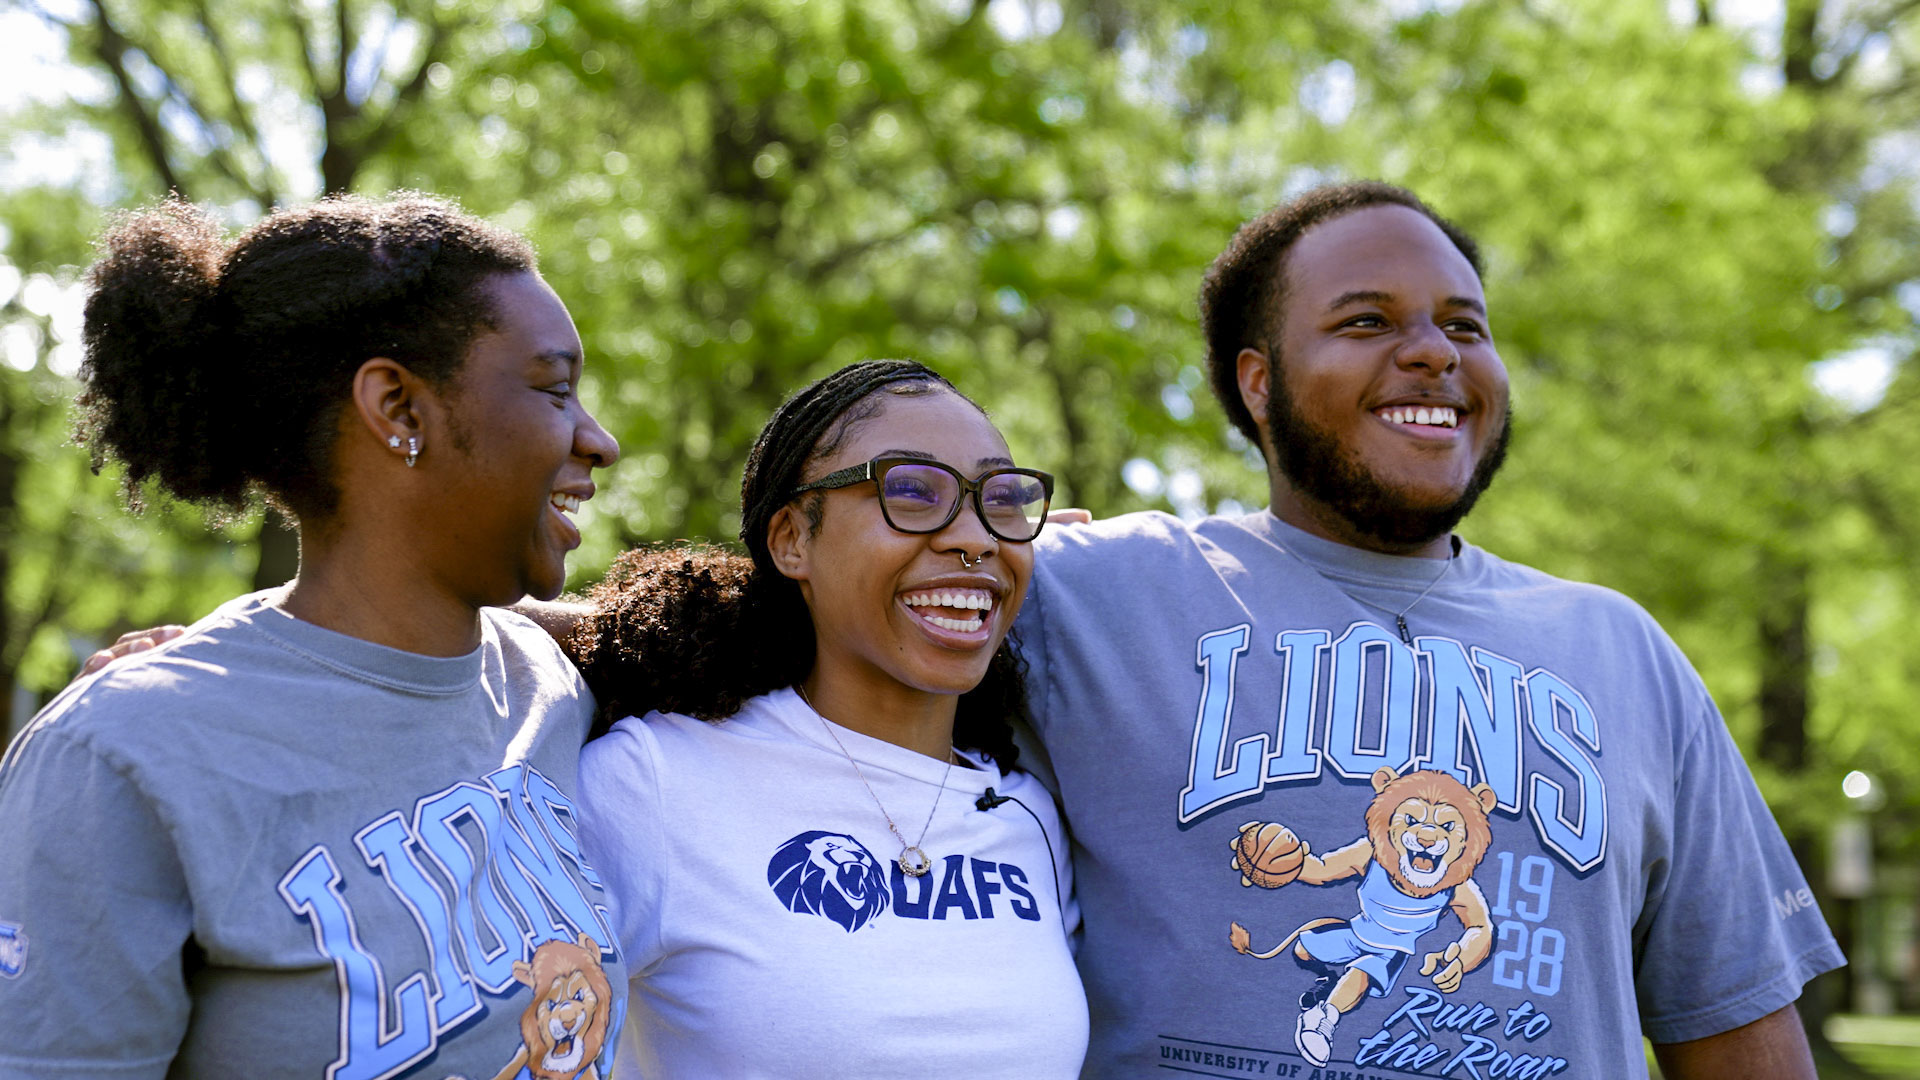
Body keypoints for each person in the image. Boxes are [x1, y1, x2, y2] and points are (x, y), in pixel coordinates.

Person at [1014, 181, 1843, 1078]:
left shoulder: (1626, 653)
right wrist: (979, 560)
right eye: (1368, 322)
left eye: (1466, 326)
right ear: (1260, 383)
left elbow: (1737, 1035)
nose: (1434, 354)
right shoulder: (1086, 598)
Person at [0, 195, 628, 1077]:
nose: (598, 440)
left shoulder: (553, 681)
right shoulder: (123, 756)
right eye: (555, 389)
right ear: (398, 408)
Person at [567, 359, 1087, 1078]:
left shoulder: (1031, 817)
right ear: (792, 540)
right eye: (911, 491)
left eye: (999, 501)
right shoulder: (653, 783)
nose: (976, 537)